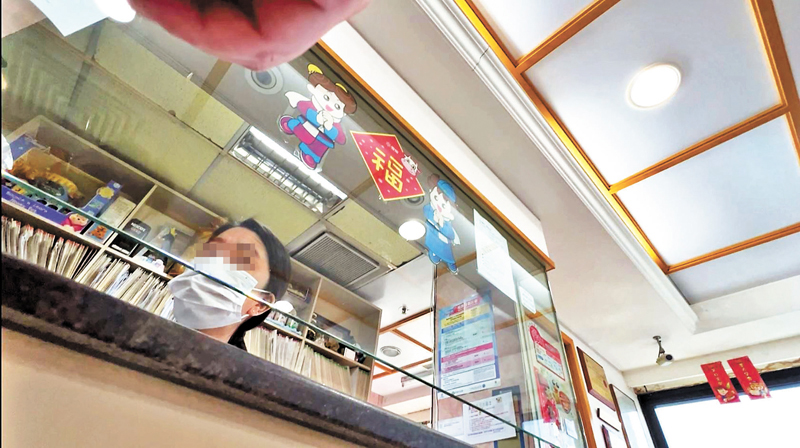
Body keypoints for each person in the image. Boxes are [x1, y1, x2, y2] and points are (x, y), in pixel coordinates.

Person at [168, 218, 292, 350]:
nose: (217, 259)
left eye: (242, 257)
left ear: (261, 304)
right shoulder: (152, 332)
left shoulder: (235, 364)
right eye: (212, 249)